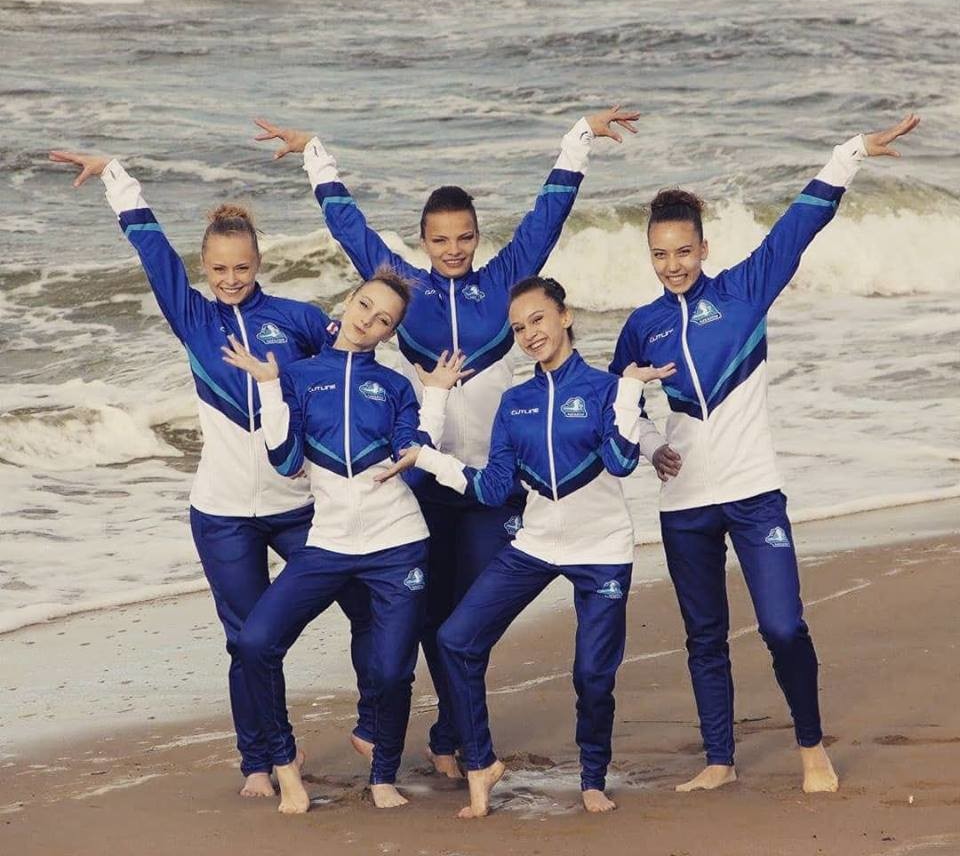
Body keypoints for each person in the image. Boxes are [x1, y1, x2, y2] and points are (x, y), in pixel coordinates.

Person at [251, 107, 640, 778]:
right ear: (424, 241)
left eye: (463, 237)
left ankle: (448, 733)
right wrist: (316, 155)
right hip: (424, 480)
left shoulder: (505, 281)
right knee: (430, 617)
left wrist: (578, 137)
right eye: (440, 239)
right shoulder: (409, 291)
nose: (453, 249)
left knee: (468, 623)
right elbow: (351, 230)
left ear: (477, 237)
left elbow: (546, 219)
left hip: (491, 486)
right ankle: (432, 734)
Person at [48, 149, 376, 798]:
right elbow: (154, 253)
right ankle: (262, 759)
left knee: (367, 603)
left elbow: (356, 356)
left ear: (259, 263)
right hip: (223, 514)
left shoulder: (299, 320)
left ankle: (375, 721)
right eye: (220, 269)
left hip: (300, 506)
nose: (231, 279)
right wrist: (115, 176)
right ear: (206, 268)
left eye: (242, 267)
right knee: (248, 642)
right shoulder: (194, 317)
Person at [609, 113, 920, 794]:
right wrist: (654, 446)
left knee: (782, 626)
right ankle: (718, 760)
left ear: (703, 246)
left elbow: (797, 227)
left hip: (753, 493)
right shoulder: (642, 326)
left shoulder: (744, 290)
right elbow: (620, 404)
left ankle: (811, 747)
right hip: (685, 504)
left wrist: (850, 153)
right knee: (704, 636)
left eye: (683, 251)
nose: (672, 265)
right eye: (660, 255)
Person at [378, 276, 672, 817]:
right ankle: (481, 763)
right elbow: (494, 488)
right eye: (518, 328)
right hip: (535, 543)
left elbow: (621, 462)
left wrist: (630, 391)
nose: (530, 333)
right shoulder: (514, 403)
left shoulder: (606, 388)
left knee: (592, 676)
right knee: (456, 639)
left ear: (565, 316)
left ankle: (592, 779)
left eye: (538, 319)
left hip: (601, 549)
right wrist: (429, 458)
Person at [222, 269, 469, 812]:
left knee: (392, 670)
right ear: (348, 302)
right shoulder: (298, 377)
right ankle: (285, 766)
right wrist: (269, 386)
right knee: (256, 641)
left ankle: (383, 776)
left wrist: (435, 396)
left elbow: (414, 458)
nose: (368, 320)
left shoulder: (396, 386)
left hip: (398, 542)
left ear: (389, 333)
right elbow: (285, 460)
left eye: (383, 320)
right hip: (328, 543)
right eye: (364, 306)